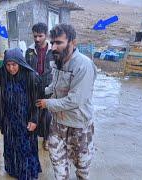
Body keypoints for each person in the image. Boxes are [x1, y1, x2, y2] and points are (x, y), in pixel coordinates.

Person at [36, 24, 97, 180]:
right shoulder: (58, 61)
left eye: (59, 43)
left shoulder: (83, 65)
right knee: (58, 165)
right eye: (53, 42)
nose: (54, 47)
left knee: (82, 169)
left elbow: (75, 100)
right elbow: (54, 86)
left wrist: (47, 103)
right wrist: (41, 92)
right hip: (58, 124)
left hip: (79, 126)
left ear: (73, 42)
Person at [0, 48, 42, 180]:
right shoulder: (2, 74)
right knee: (11, 145)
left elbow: (38, 101)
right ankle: (13, 170)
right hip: (9, 119)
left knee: (26, 147)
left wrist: (34, 119)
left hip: (26, 119)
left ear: (20, 63)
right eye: (8, 65)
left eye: (14, 65)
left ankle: (27, 173)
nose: (11, 68)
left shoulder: (30, 76)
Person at [25, 22, 54, 151]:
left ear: (46, 35)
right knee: (34, 111)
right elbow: (25, 69)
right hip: (33, 86)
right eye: (35, 36)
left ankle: (47, 138)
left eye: (40, 36)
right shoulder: (29, 51)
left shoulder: (54, 50)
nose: (37, 39)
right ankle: (34, 136)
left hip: (49, 86)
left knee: (47, 115)